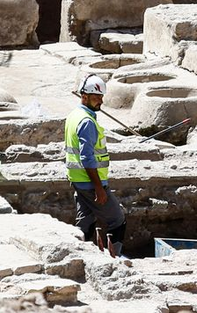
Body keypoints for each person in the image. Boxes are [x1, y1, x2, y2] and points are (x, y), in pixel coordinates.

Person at [65, 74, 127, 257]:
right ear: (84, 96)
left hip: (77, 179)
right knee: (117, 220)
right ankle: (114, 260)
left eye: (101, 97)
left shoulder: (74, 115)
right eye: (96, 97)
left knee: (85, 221)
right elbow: (87, 157)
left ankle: (78, 255)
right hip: (90, 182)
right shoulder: (86, 122)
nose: (100, 101)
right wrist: (99, 187)